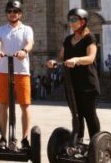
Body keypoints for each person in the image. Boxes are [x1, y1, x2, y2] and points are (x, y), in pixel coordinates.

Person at [46, 8, 100, 142]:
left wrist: (77, 60)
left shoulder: (89, 38)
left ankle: (95, 143)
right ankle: (78, 141)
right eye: (69, 19)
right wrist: (54, 62)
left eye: (74, 19)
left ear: (83, 21)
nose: (71, 22)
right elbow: (61, 58)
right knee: (76, 114)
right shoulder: (68, 39)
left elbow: (91, 58)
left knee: (89, 114)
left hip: (88, 83)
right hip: (71, 83)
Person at [0, 0, 34, 150]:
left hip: (22, 72)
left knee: (25, 105)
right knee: (3, 104)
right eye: (9, 11)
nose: (12, 14)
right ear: (6, 13)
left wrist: (24, 51)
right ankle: (3, 138)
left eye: (15, 11)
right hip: (4, 71)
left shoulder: (27, 29)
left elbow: (29, 43)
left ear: (20, 14)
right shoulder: (1, 29)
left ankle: (25, 139)